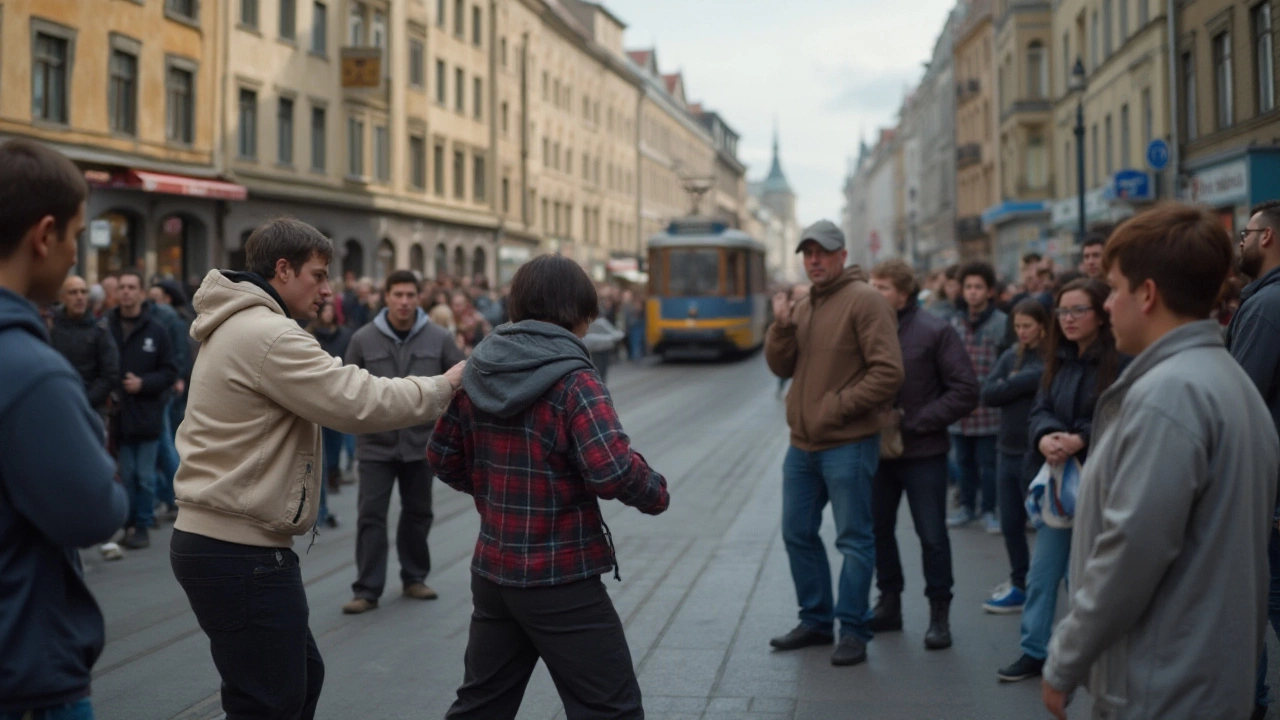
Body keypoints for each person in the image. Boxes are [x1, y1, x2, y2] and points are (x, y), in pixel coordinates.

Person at [169, 217, 465, 719]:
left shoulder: (245, 325)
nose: (328, 290)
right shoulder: (267, 334)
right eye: (319, 274)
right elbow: (357, 398)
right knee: (273, 699)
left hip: (230, 544)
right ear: (283, 270)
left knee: (295, 681)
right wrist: (447, 384)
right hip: (239, 550)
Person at [1041, 205, 1280, 720]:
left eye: (1115, 289)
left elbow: (1132, 549)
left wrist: (1065, 660)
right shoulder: (1225, 378)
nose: (1106, 307)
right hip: (1202, 674)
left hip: (1162, 682)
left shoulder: (1169, 395)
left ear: (1147, 294)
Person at [428, 254, 669, 719]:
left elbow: (441, 455)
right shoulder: (575, 377)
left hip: (495, 570)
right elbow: (611, 469)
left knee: (482, 703)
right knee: (611, 708)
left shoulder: (479, 367)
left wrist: (492, 495)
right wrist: (655, 491)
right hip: (561, 574)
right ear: (576, 310)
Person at [0, 138, 129, 720]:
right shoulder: (30, 370)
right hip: (25, 672)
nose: (77, 256)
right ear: (44, 235)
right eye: (76, 235)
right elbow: (95, 512)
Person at [764, 220, 905, 667]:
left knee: (854, 539)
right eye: (807, 254)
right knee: (797, 532)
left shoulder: (865, 301)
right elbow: (779, 366)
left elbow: (889, 372)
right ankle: (817, 620)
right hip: (802, 446)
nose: (814, 261)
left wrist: (837, 407)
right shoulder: (805, 306)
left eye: (822, 253)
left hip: (848, 441)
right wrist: (782, 327)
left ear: (843, 255)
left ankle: (854, 628)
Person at [997, 277, 1125, 683]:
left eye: (1077, 311)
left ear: (1101, 315)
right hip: (1058, 479)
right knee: (1042, 573)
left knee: (1088, 576)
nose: (1067, 319)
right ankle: (1034, 651)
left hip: (1100, 479)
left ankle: (1088, 653)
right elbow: (1041, 407)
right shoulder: (1060, 358)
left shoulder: (1119, 359)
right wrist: (1046, 436)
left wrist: (1080, 437)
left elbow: (1119, 414)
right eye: (1062, 311)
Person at [867, 259, 979, 650]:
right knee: (879, 531)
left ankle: (939, 615)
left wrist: (914, 421)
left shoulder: (935, 329)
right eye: (871, 285)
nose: (873, 292)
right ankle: (889, 604)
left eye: (881, 287)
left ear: (903, 292)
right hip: (876, 451)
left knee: (931, 535)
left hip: (924, 451)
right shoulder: (865, 328)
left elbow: (965, 390)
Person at [342, 270, 467, 614]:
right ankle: (367, 589)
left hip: (420, 445)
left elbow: (461, 384)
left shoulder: (439, 338)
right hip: (375, 446)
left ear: (419, 298)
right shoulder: (363, 339)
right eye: (398, 294)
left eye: (411, 295)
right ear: (386, 297)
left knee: (418, 513)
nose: (404, 301)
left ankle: (414, 577)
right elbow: (346, 389)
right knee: (371, 516)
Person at [1227, 199, 1280, 719]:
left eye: (1245, 233)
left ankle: (1250, 706)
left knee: (1259, 605)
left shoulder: (1265, 306)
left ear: (1266, 238)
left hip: (1269, 489)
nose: (1239, 242)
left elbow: (1238, 397)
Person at [980, 299, 1048, 614]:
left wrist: (1011, 383)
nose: (1021, 332)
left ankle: (1046, 586)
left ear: (1042, 327)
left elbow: (1038, 378)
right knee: (1010, 523)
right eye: (1017, 326)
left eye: (1027, 326)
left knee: (1047, 526)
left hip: (1034, 453)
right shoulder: (1010, 355)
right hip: (1005, 450)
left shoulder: (1050, 358)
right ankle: (1019, 583)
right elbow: (988, 393)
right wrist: (1013, 384)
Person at [50, 275, 125, 562]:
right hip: (58, 411)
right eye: (73, 292)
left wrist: (82, 400)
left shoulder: (100, 330)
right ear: (63, 296)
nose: (79, 296)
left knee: (100, 471)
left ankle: (107, 537)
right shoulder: (52, 328)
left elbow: (110, 374)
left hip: (93, 411)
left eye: (83, 291)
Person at [107, 269, 178, 550]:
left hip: (147, 411)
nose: (126, 291)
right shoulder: (107, 326)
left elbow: (170, 371)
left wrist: (144, 383)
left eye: (131, 287)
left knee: (145, 476)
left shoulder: (156, 329)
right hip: (120, 414)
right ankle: (129, 524)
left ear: (140, 292)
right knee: (126, 474)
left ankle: (144, 524)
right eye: (122, 287)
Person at [946, 262, 1007, 533]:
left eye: (978, 287)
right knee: (964, 462)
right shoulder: (954, 322)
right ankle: (967, 506)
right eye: (968, 287)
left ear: (990, 291)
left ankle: (990, 510)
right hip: (961, 408)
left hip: (990, 408)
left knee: (989, 463)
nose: (972, 292)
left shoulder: (1002, 323)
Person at [146, 281, 191, 522]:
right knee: (167, 441)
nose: (151, 302)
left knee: (165, 441)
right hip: (168, 385)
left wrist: (177, 377)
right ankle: (170, 495)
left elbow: (180, 353)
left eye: (155, 297)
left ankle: (175, 494)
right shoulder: (172, 318)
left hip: (168, 386)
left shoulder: (171, 319)